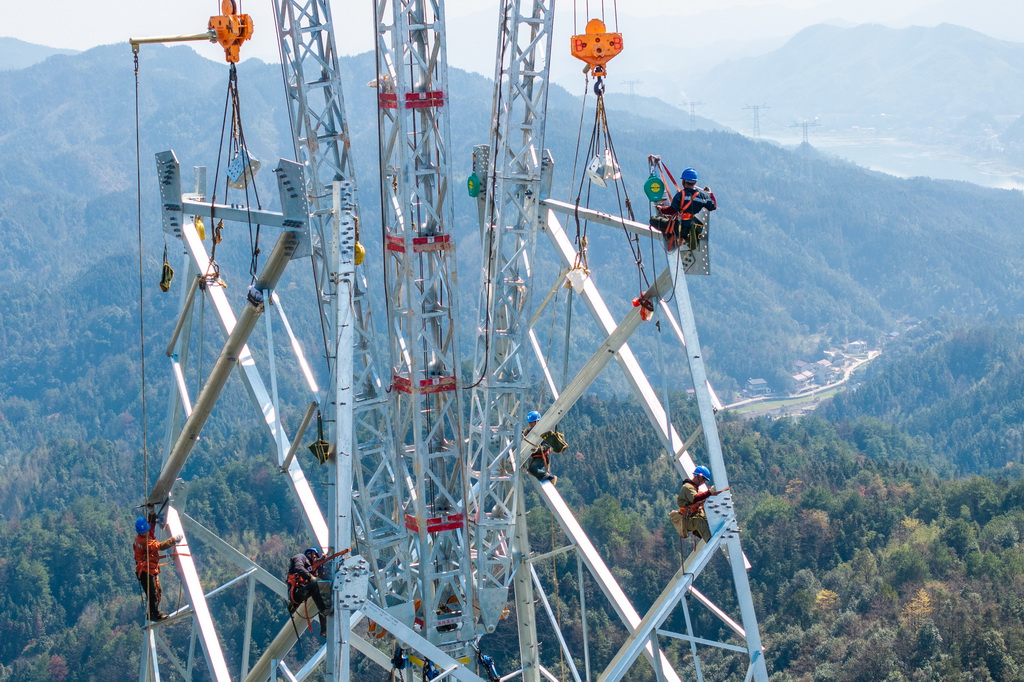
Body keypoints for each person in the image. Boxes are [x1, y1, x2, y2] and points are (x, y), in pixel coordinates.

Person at [133, 513, 182, 622]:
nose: (146, 532)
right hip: (145, 571)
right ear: (142, 532)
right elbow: (159, 546)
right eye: (145, 531)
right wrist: (174, 539)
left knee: (157, 591)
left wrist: (152, 518)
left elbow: (151, 530)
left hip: (149, 569)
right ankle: (154, 614)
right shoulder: (143, 541)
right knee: (153, 594)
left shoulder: (143, 535)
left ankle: (154, 613)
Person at [657, 167, 717, 251]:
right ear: (695, 182)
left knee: (653, 220)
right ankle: (685, 237)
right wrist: (710, 195)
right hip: (690, 228)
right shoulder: (702, 196)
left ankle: (669, 235)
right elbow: (713, 206)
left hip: (678, 227)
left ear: (683, 181)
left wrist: (661, 209)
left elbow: (672, 210)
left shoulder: (681, 195)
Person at [288, 547, 332, 637]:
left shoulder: (309, 568)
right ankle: (324, 611)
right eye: (315, 556)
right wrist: (311, 578)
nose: (315, 559)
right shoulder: (300, 557)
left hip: (300, 592)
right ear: (310, 554)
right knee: (314, 586)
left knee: (320, 596)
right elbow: (298, 567)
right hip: (296, 593)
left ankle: (324, 630)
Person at [673, 465, 717, 543]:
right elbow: (695, 498)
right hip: (687, 520)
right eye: (703, 479)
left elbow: (700, 497)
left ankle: (711, 535)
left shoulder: (694, 489)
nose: (703, 482)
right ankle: (710, 541)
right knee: (699, 521)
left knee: (707, 519)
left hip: (693, 516)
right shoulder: (687, 487)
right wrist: (710, 492)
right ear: (699, 476)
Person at [523, 410, 557, 485]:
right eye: (529, 423)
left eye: (532, 422)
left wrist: (537, 449)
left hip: (541, 457)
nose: (530, 424)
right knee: (529, 469)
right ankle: (543, 476)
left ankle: (550, 477)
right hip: (531, 455)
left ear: (538, 421)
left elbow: (546, 447)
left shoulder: (545, 433)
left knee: (532, 469)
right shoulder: (528, 432)